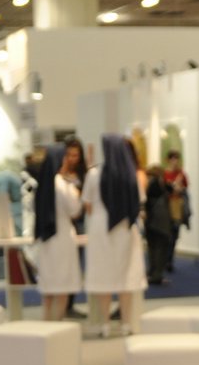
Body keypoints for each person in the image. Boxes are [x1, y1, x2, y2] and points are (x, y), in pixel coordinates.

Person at [82, 133, 144, 336]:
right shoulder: (131, 175)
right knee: (126, 275)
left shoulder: (93, 174)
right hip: (126, 229)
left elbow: (87, 205)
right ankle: (126, 323)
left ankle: (105, 324)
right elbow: (139, 203)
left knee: (103, 274)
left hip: (101, 229)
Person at [32, 143, 83, 320]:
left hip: (47, 240)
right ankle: (57, 323)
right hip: (62, 237)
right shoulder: (62, 185)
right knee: (62, 286)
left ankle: (46, 322)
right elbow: (75, 210)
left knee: (48, 287)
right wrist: (75, 192)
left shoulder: (43, 185)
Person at [143, 162, 175, 286]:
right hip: (160, 221)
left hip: (150, 220)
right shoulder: (158, 184)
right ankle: (157, 275)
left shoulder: (147, 184)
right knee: (161, 248)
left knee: (152, 248)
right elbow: (171, 190)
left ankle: (152, 272)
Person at [162, 149, 189, 273]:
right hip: (167, 206)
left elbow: (185, 188)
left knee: (175, 233)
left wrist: (179, 187)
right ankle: (166, 259)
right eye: (173, 158)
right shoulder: (164, 174)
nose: (175, 161)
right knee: (167, 234)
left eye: (176, 159)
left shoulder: (181, 174)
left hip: (177, 205)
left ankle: (169, 260)